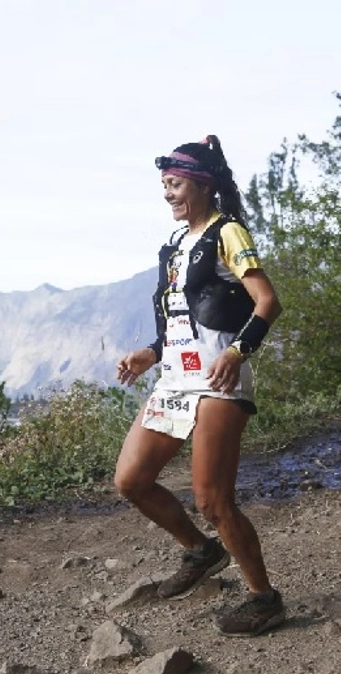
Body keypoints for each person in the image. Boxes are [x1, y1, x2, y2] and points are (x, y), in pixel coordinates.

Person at [114, 135, 286, 638]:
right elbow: (183, 321)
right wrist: (150, 353)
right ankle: (200, 550)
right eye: (164, 185)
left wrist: (238, 352)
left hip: (218, 378)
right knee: (131, 480)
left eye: (175, 183)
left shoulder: (227, 232)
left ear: (203, 184)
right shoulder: (173, 247)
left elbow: (267, 302)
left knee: (212, 499)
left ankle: (264, 599)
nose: (168, 193)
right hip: (177, 377)